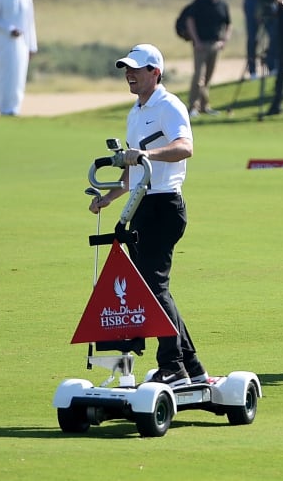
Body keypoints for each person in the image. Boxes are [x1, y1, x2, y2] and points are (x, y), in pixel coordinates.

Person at [90, 43, 208, 387]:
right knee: (152, 289)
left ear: (155, 72)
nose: (129, 75)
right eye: (126, 69)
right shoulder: (135, 113)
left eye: (136, 70)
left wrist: (145, 153)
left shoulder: (169, 106)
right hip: (140, 205)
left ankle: (173, 368)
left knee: (154, 287)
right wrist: (108, 198)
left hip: (164, 205)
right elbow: (132, 172)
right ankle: (192, 365)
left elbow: (185, 147)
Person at [184, 0, 232, 117]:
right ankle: (193, 106)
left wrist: (224, 40)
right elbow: (190, 20)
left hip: (215, 45)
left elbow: (228, 23)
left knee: (208, 77)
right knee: (199, 76)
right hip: (201, 44)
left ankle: (204, 106)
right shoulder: (201, 1)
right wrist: (196, 40)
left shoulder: (223, 4)